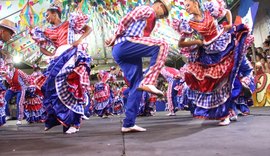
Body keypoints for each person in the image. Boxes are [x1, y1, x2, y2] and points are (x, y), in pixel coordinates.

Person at [172, 0, 254, 126]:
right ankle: (226, 113)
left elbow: (226, 11)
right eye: (185, 6)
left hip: (223, 43)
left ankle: (231, 109)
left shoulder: (209, 9)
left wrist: (229, 24)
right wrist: (197, 42)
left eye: (188, 5)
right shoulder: (189, 23)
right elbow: (180, 43)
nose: (186, 8)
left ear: (195, 3)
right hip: (208, 54)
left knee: (230, 78)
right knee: (217, 85)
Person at [106, 0, 172, 132]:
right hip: (126, 43)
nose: (161, 16)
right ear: (159, 5)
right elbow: (127, 18)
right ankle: (150, 80)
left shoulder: (149, 22)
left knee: (137, 85)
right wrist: (115, 35)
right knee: (163, 44)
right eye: (162, 13)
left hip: (121, 50)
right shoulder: (148, 10)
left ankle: (128, 123)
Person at [30, 4, 92, 134]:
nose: (46, 18)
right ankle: (56, 119)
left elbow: (88, 28)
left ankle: (74, 123)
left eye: (47, 15)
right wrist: (51, 55)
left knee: (70, 87)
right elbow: (41, 47)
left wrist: (79, 40)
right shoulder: (47, 31)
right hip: (57, 57)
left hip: (70, 55)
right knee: (48, 86)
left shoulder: (70, 23)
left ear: (54, 13)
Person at [4, 59, 30, 125]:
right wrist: (5, 76)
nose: (9, 66)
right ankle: (8, 115)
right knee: (3, 99)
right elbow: (9, 82)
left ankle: (20, 119)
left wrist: (26, 85)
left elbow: (26, 78)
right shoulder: (7, 72)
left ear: (12, 64)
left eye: (10, 64)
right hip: (13, 88)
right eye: (7, 65)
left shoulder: (19, 71)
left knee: (19, 103)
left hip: (21, 88)